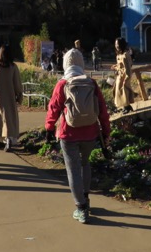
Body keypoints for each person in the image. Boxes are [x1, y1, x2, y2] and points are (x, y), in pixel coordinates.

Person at [45, 48, 110, 224]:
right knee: (85, 163)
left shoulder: (62, 84)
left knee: (72, 169)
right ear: (81, 64)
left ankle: (81, 208)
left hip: (68, 133)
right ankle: (86, 198)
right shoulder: (91, 83)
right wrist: (106, 131)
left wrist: (49, 128)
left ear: (65, 64)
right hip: (90, 132)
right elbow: (102, 110)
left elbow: (53, 108)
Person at [0, 44, 23, 152]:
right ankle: (9, 140)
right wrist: (19, 96)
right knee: (9, 118)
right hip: (10, 96)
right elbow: (17, 84)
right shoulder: (13, 67)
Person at [113, 37, 135, 113]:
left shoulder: (125, 55)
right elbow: (120, 65)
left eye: (117, 44)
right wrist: (115, 67)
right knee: (118, 91)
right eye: (115, 44)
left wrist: (127, 77)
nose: (116, 45)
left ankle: (127, 106)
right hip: (120, 76)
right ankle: (124, 106)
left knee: (124, 91)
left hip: (124, 76)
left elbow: (128, 67)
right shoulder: (118, 55)